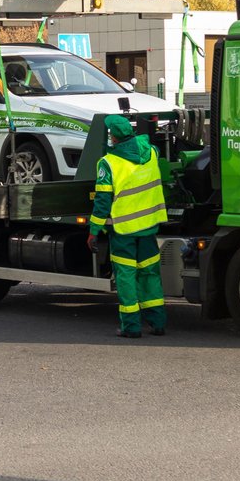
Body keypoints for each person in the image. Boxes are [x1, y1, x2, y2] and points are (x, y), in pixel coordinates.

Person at [87, 114, 169, 339]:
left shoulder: (109, 163)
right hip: (149, 226)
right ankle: (157, 322)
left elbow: (102, 203)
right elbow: (152, 146)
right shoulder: (151, 153)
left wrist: (94, 231)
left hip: (124, 230)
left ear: (113, 137)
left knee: (126, 276)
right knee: (150, 273)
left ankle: (131, 327)